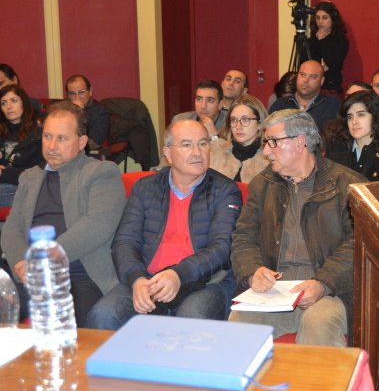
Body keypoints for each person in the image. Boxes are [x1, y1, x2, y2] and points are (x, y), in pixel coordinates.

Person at [87, 119, 242, 330]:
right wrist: (136, 279)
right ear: (168, 153)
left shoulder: (225, 190)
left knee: (192, 319)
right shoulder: (145, 188)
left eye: (203, 143)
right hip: (149, 280)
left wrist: (178, 274)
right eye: (186, 145)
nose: (197, 152)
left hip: (203, 282)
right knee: (104, 313)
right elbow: (124, 241)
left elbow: (223, 247)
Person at [229, 109, 366, 346]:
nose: (266, 151)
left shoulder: (348, 185)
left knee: (318, 323)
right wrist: (252, 272)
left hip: (330, 291)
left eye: (273, 142)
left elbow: (359, 244)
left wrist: (323, 283)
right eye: (265, 143)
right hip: (276, 292)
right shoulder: (263, 185)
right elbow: (243, 237)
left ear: (300, 142)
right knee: (239, 321)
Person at [1, 101, 125, 327]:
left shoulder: (101, 172)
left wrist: (44, 258)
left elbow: (98, 224)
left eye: (61, 138)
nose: (52, 146)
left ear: (82, 143)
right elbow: (12, 228)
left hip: (79, 275)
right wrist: (21, 263)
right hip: (30, 275)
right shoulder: (29, 177)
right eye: (47, 137)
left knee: (68, 331)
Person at [325, 90, 379, 181]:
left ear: (375, 117)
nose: (354, 122)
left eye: (361, 115)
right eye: (350, 116)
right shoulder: (335, 149)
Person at [0, 85, 44, 206]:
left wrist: (4, 173)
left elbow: (38, 172)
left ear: (23, 103)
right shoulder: (1, 131)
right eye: (3, 103)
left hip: (24, 188)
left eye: (14, 101)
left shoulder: (38, 134)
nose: (9, 107)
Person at [210, 95, 269, 183]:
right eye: (234, 120)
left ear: (259, 124)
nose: (238, 126)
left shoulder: (270, 159)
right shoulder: (215, 153)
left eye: (245, 120)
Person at [269, 60, 340, 132]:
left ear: (322, 81)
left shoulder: (332, 107)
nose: (305, 80)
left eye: (313, 77)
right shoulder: (280, 105)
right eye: (302, 75)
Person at [303, 1, 349, 94]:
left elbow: (334, 64)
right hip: (310, 87)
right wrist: (320, 68)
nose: (320, 21)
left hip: (331, 87)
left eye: (325, 18)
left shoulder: (341, 41)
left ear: (332, 19)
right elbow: (304, 63)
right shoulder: (310, 41)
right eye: (317, 18)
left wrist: (323, 40)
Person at [65, 74, 111, 150]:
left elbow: (94, 143)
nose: (77, 97)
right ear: (67, 96)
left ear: (90, 92)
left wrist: (80, 112)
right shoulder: (63, 110)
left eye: (81, 92)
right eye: (72, 93)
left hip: (87, 154)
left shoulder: (101, 112)